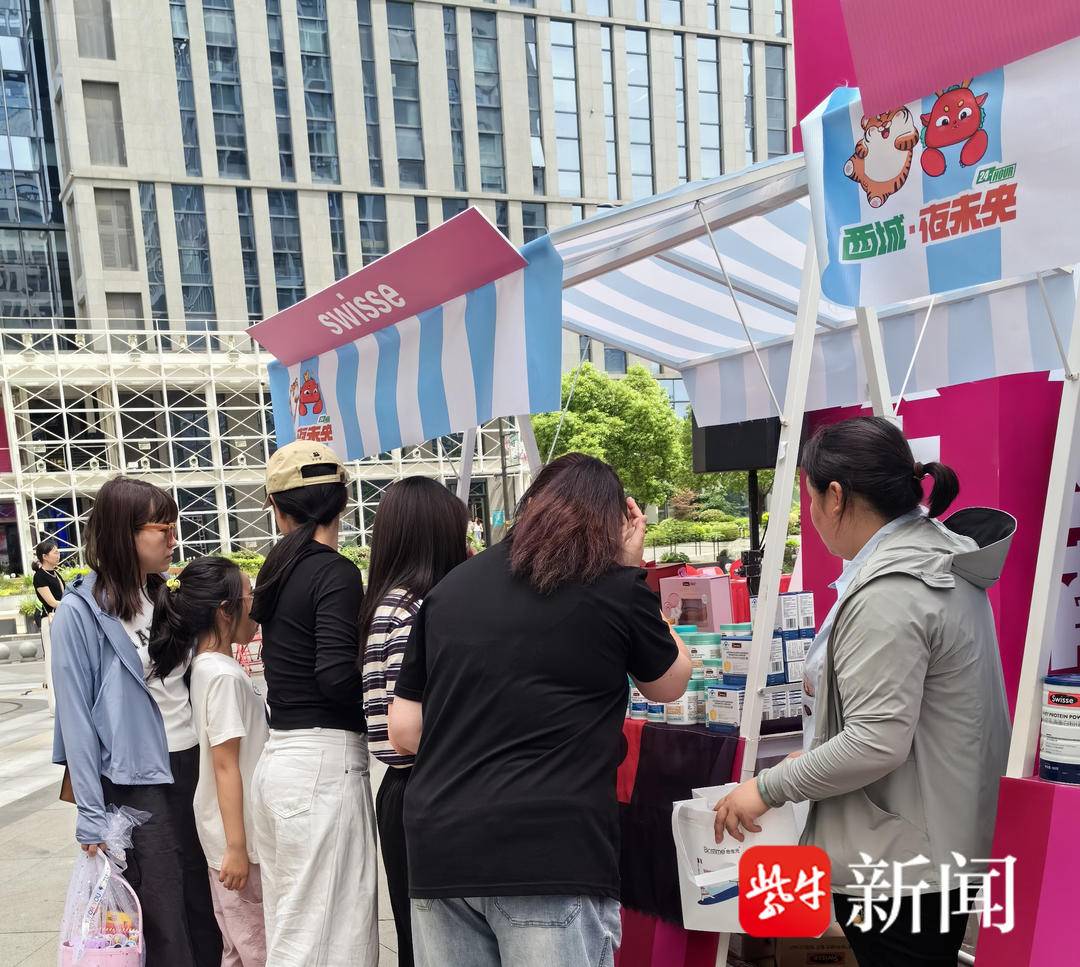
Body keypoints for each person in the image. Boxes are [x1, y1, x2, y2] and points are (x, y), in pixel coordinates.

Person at [712, 417, 1014, 967]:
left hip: (903, 862)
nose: (810, 515)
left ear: (835, 496)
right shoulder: (933, 560)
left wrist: (768, 788)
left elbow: (876, 741)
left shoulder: (892, 590)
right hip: (930, 843)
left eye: (809, 498)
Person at [389, 452, 693, 967]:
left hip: (441, 848)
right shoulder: (616, 589)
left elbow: (403, 728)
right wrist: (631, 571)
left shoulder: (450, 590)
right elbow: (670, 682)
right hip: (552, 849)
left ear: (530, 505)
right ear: (613, 523)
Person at [51, 476, 222, 967]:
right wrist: (91, 814)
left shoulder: (165, 597)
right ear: (124, 533)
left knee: (206, 902)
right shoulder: (81, 613)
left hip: (194, 766)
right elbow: (76, 720)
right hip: (136, 782)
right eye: (162, 529)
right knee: (163, 915)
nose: (174, 540)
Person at [249, 441, 378, 967]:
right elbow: (334, 675)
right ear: (341, 502)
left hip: (280, 760)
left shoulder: (275, 569)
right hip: (323, 766)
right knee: (329, 937)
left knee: (294, 929)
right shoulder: (334, 571)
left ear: (276, 507)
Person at [359, 478, 469, 967]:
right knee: (436, 947)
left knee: (418, 943)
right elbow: (410, 730)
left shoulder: (390, 603)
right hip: (426, 785)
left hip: (405, 789)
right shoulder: (415, 612)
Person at [152, 556, 268, 967]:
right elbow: (225, 764)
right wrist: (237, 847)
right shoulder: (221, 675)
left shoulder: (205, 668)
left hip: (227, 834)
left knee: (236, 948)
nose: (256, 604)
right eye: (249, 595)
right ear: (225, 610)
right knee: (257, 948)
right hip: (239, 839)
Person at [32, 537, 64, 710]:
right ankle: (54, 705)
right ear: (45, 556)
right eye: (55, 552)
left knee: (63, 662)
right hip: (50, 620)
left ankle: (63, 703)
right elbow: (51, 602)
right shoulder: (40, 577)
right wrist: (72, 603)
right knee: (52, 662)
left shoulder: (56, 573)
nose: (58, 555)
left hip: (61, 619)